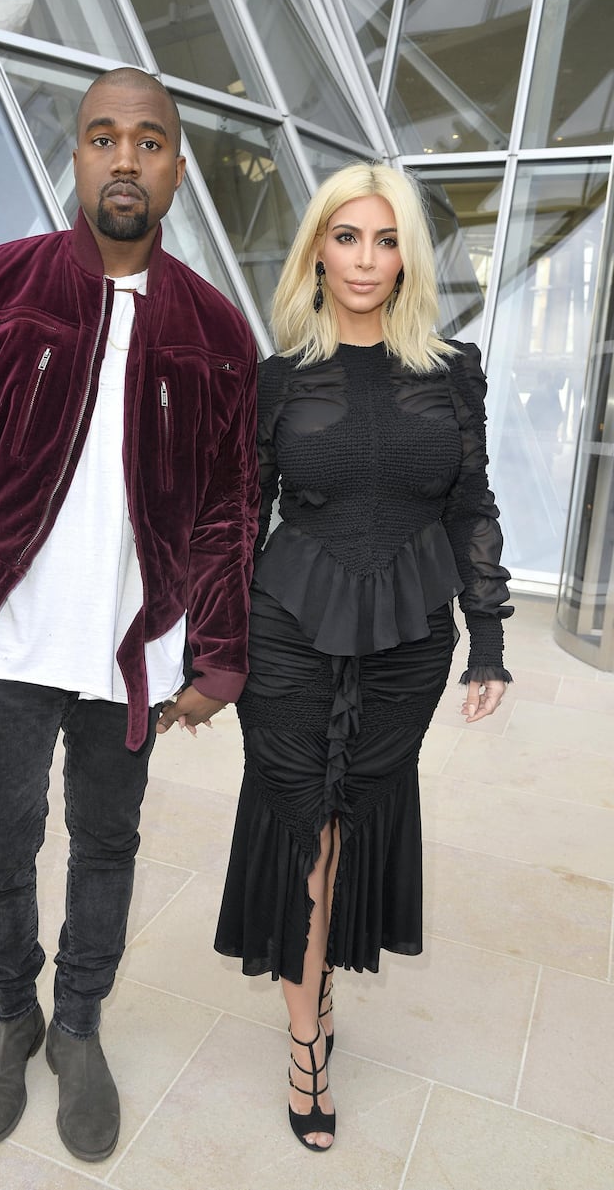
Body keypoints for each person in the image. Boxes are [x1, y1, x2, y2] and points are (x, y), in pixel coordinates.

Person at [0, 66, 259, 1163]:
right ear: (78, 157)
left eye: (148, 141)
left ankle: (80, 1024)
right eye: (103, 137)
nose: (125, 159)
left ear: (177, 165)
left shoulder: (216, 331)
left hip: (130, 656)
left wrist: (219, 655)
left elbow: (234, 505)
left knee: (107, 843)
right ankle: (13, 1015)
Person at [214, 161, 513, 1152]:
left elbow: (467, 502)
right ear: (316, 248)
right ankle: (305, 1036)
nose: (366, 259)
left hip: (406, 641)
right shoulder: (276, 378)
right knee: (302, 823)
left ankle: (321, 973)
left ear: (409, 257)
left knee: (354, 816)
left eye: (386, 241)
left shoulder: (451, 369)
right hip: (289, 627)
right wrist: (210, 645)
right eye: (347, 237)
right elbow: (237, 515)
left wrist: (488, 640)